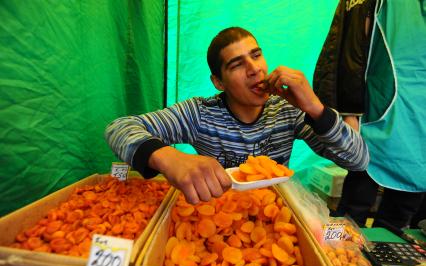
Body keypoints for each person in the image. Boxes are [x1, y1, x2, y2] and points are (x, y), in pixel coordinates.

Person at [105, 27, 369, 205]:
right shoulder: (199, 113)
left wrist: (316, 109)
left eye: (256, 55)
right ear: (218, 82)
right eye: (237, 64)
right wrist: (170, 158)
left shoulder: (287, 110)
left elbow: (359, 161)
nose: (254, 69)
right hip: (220, 217)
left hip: (275, 214)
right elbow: (118, 128)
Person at [314, 0, 426, 229]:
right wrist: (348, 112)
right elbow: (347, 52)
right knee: (351, 211)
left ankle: (382, 259)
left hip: (419, 123)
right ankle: (336, 259)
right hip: (375, 116)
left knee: (398, 216)